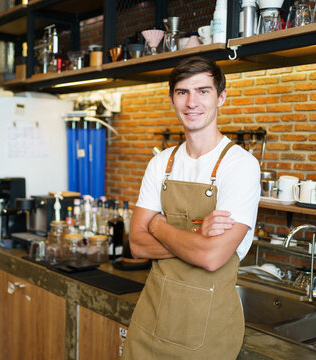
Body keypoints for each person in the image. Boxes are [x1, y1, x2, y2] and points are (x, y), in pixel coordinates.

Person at [122, 57, 260, 359]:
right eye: (182, 92)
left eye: (203, 91)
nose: (191, 102)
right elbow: (136, 244)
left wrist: (157, 225)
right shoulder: (161, 163)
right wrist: (196, 234)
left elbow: (211, 257)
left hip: (207, 332)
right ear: (172, 98)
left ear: (221, 97)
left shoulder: (240, 166)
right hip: (150, 320)